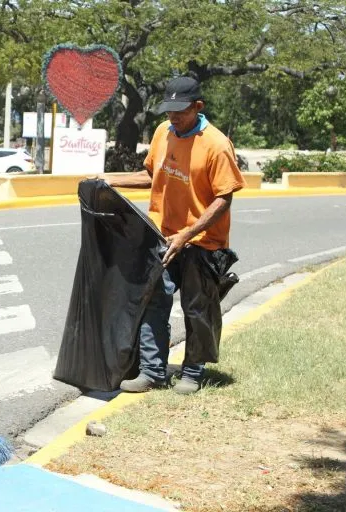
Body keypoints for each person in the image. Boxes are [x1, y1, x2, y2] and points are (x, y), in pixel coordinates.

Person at [103, 76, 246, 395]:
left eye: (180, 111)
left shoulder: (217, 145)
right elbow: (151, 176)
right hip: (162, 236)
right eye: (168, 110)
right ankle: (153, 371)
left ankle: (192, 373)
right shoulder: (162, 133)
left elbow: (224, 198)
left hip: (203, 243)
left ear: (198, 107)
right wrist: (108, 180)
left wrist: (187, 234)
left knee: (197, 308)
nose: (173, 117)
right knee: (154, 301)